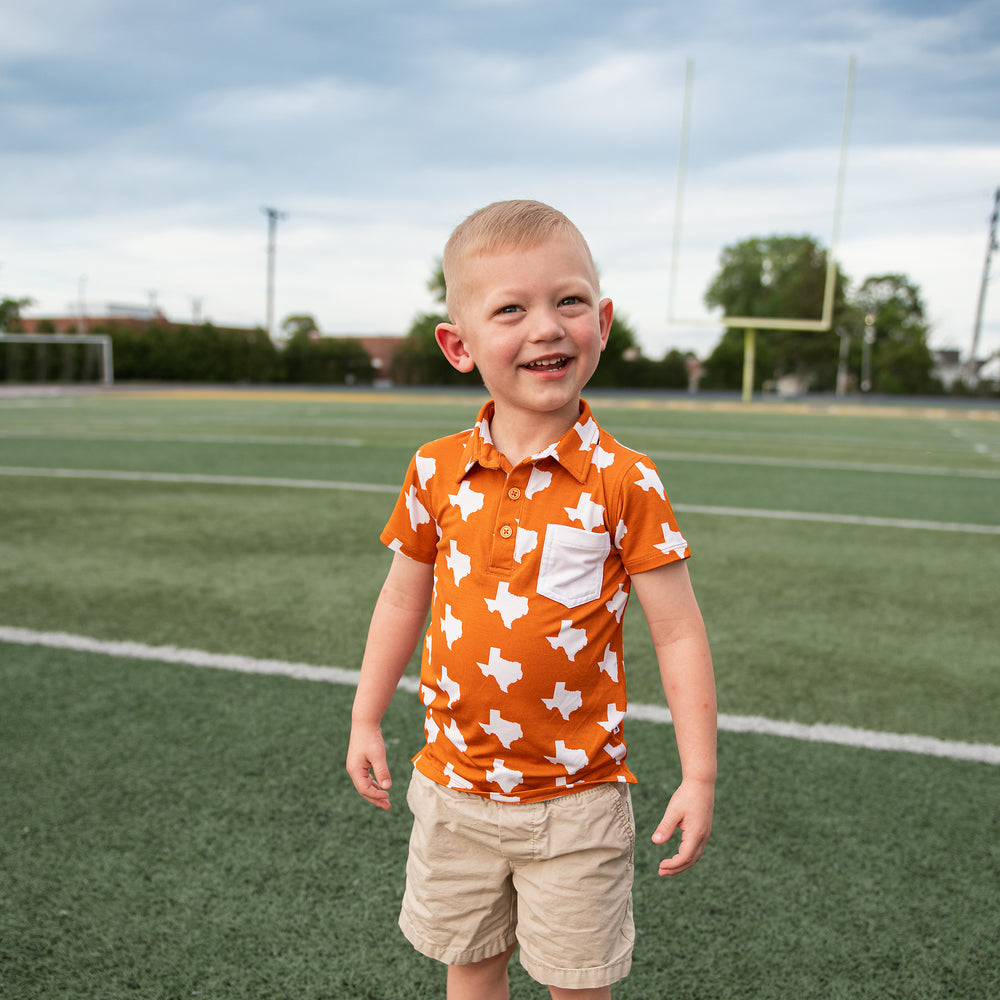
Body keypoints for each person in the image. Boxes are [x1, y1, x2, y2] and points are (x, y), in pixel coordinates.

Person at [346, 199, 717, 1000]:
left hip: (576, 804)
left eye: (569, 301)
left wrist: (701, 775)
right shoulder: (435, 470)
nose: (546, 327)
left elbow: (679, 634)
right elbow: (401, 602)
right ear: (459, 344)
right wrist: (365, 716)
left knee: (577, 984)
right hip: (453, 788)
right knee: (470, 967)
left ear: (604, 320)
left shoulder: (626, 481)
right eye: (511, 309)